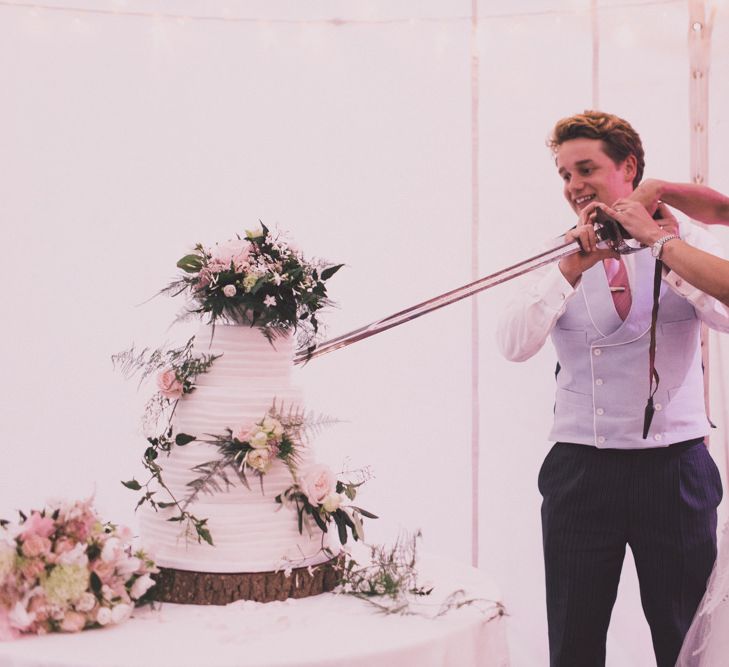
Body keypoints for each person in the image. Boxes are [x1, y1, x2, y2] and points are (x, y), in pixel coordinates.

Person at [496, 110, 729, 667]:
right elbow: (513, 342)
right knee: (574, 640)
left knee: (686, 639)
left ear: (628, 167)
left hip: (675, 471)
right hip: (581, 471)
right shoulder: (555, 251)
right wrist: (570, 269)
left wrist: (660, 246)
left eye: (585, 169)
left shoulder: (682, 237)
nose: (574, 186)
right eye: (564, 175)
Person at [592, 179, 729, 306]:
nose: (575, 186)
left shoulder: (692, 236)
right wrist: (656, 188)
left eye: (587, 170)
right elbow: (723, 210)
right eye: (568, 176)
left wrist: (656, 237)